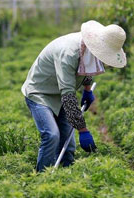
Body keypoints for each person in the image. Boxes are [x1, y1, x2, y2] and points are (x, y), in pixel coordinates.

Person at [22, 20, 127, 172]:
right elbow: (68, 98)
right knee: (52, 135)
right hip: (40, 92)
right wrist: (83, 130)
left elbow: (88, 67)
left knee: (68, 144)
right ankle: (41, 179)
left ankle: (66, 178)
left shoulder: (89, 47)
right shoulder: (69, 53)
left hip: (60, 93)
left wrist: (87, 89)